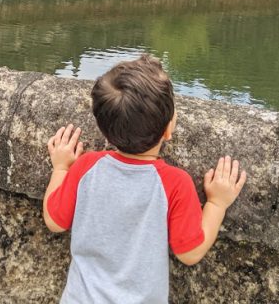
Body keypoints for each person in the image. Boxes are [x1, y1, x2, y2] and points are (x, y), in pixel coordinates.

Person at [43, 54, 247, 303]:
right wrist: (217, 204)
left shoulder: (86, 167)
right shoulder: (175, 183)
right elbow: (190, 252)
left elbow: (55, 221)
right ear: (168, 129)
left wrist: (61, 168)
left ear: (103, 128)